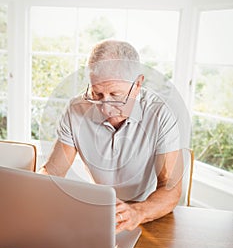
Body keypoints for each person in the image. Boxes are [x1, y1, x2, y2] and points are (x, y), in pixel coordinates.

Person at [39, 39, 187, 233]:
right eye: (97, 94)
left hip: (146, 213)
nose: (106, 108)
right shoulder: (76, 110)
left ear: (138, 84)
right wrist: (36, 194)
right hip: (98, 212)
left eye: (116, 95)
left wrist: (137, 212)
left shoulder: (162, 114)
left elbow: (171, 188)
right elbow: (52, 173)